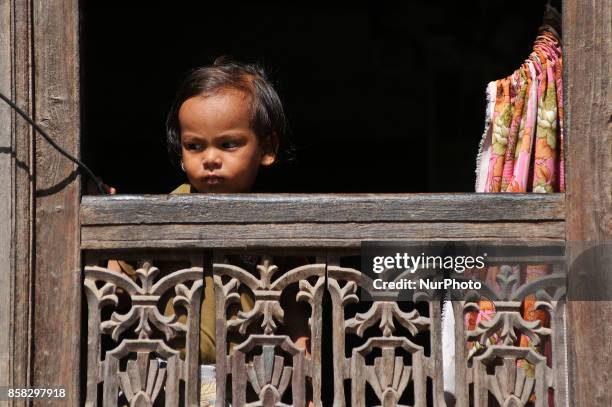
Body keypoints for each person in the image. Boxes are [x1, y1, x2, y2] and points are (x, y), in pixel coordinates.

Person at [106, 58, 310, 405]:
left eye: (228, 144)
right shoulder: (162, 213)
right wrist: (111, 226)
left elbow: (295, 312)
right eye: (195, 146)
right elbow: (117, 287)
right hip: (173, 375)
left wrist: (306, 376)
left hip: (257, 378)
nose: (210, 158)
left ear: (268, 148)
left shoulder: (280, 223)